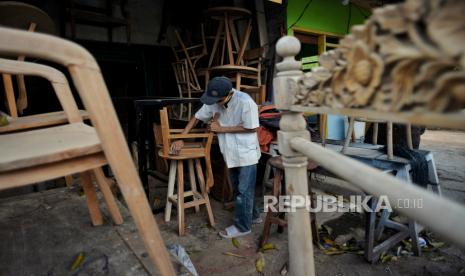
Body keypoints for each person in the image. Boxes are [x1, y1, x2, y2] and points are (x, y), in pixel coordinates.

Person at [171, 76, 261, 238]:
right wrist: (181, 137)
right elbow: (197, 117)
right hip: (230, 151)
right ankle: (253, 216)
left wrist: (221, 129)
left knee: (243, 190)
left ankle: (243, 226)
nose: (213, 103)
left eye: (217, 99)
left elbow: (252, 128)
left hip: (247, 153)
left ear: (228, 95)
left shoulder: (245, 102)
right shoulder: (213, 100)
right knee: (240, 188)